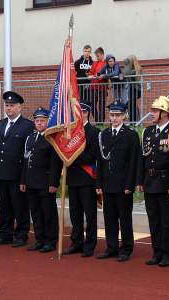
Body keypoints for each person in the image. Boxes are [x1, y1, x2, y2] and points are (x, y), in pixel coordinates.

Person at [96, 101, 140, 262]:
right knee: (110, 218)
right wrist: (99, 184)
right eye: (112, 115)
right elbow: (100, 162)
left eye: (118, 115)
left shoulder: (131, 135)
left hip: (123, 185)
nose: (114, 118)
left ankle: (126, 248)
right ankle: (112, 246)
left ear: (124, 116)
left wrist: (130, 185)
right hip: (107, 184)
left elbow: (134, 162)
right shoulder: (104, 135)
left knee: (125, 218)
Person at [136, 96, 169, 267]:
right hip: (150, 181)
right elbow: (142, 159)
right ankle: (157, 252)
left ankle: (168, 254)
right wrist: (139, 181)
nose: (152, 113)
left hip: (166, 181)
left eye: (155, 111)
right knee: (154, 220)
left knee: (167, 221)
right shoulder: (148, 132)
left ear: (165, 114)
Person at [0, 91, 34, 248]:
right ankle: (5, 234)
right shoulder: (0, 124)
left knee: (20, 206)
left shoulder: (27, 126)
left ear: (19, 107)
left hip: (17, 174)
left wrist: (25, 176)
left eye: (11, 106)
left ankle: (21, 235)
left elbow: (28, 153)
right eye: (6, 105)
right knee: (3, 206)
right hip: (2, 173)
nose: (8, 108)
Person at [20, 107, 61, 253]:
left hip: (45, 183)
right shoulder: (30, 138)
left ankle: (51, 241)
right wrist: (23, 181)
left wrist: (53, 183)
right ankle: (40, 239)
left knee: (48, 213)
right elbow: (26, 161)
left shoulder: (51, 138)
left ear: (47, 122)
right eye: (37, 121)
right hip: (31, 182)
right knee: (36, 212)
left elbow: (55, 164)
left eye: (42, 121)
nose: (39, 123)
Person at [63, 100, 100, 257]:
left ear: (86, 113)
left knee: (89, 213)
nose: (79, 115)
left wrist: (73, 156)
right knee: (75, 213)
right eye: (77, 112)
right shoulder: (69, 132)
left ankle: (90, 244)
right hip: (72, 177)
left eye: (82, 112)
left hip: (87, 178)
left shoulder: (94, 132)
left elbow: (92, 156)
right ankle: (76, 242)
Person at [88, 47, 107, 123]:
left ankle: (101, 122)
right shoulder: (95, 63)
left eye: (98, 56)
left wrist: (101, 76)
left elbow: (106, 74)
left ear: (102, 55)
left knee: (101, 106)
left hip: (102, 88)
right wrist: (89, 75)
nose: (97, 57)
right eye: (96, 56)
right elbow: (90, 72)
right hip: (93, 87)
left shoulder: (106, 63)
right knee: (92, 105)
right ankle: (97, 120)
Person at [123, 55, 142, 122]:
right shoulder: (132, 69)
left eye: (128, 61)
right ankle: (134, 121)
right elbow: (125, 73)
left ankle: (133, 121)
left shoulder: (136, 70)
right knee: (132, 105)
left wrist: (126, 63)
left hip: (136, 89)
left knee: (130, 105)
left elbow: (127, 73)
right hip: (132, 89)